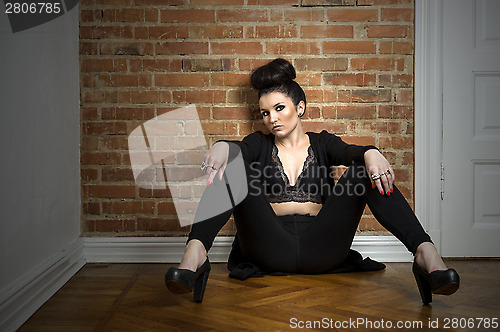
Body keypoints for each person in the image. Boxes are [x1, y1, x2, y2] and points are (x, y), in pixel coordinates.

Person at [164, 58, 459, 304]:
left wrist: (371, 153)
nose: (271, 119)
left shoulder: (323, 143)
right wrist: (222, 146)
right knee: (232, 166)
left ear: (300, 107)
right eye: (265, 113)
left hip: (323, 246)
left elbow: (348, 151)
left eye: (280, 108)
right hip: (270, 245)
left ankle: (425, 254)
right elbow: (241, 150)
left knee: (360, 169)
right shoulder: (259, 143)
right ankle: (195, 254)